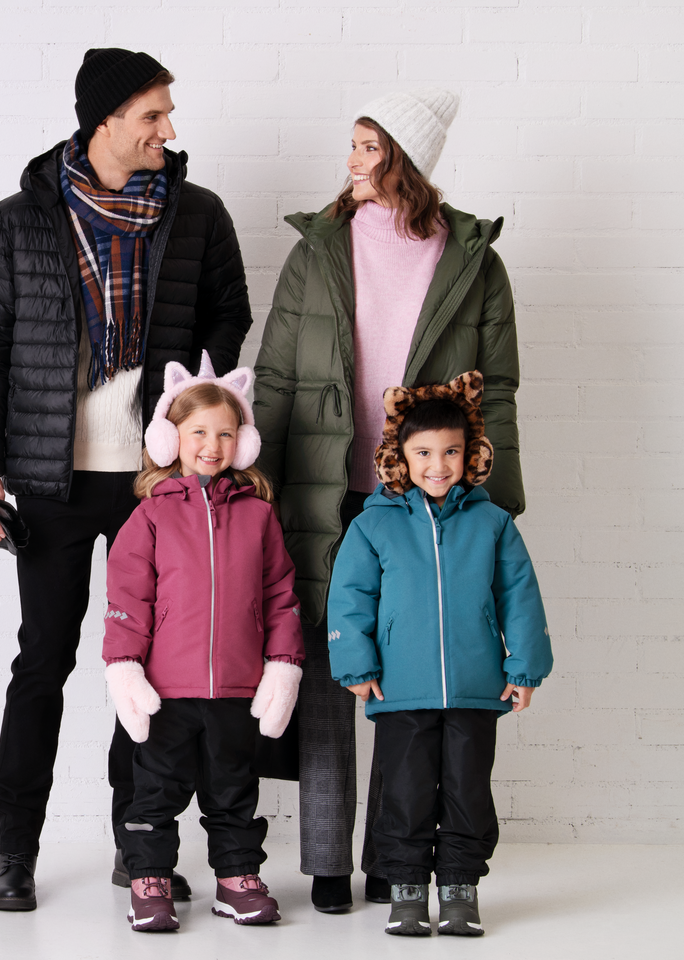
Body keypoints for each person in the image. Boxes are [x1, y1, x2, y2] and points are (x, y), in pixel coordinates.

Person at [0, 47, 253, 911]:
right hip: (50, 481)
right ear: (105, 122)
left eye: (167, 112)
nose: (169, 128)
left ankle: (140, 842)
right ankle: (15, 854)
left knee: (151, 669)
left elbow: (229, 313)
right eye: (153, 113)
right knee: (43, 661)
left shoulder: (197, 215)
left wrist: (187, 414)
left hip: (152, 485)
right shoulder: (17, 222)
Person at [252, 88, 526, 912]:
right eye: (354, 143)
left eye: (369, 146)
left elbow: (498, 389)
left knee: (407, 688)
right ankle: (327, 864)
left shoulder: (473, 260)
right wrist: (260, 484)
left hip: (425, 498)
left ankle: (393, 860)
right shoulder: (317, 251)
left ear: (404, 159)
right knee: (332, 671)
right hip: (325, 484)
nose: (352, 160)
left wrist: (496, 499)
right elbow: (276, 375)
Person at [328, 372, 552, 936]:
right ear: (400, 457)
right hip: (400, 687)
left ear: (470, 454)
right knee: (403, 793)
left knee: (467, 792)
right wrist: (356, 665)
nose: (438, 464)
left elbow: (519, 596)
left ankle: (459, 888)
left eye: (451, 451)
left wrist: (524, 667)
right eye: (424, 452)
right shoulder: (373, 524)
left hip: (477, 687)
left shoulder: (492, 523)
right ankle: (406, 888)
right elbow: (350, 597)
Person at [101, 360, 304, 932]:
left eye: (225, 433)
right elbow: (127, 598)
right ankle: (149, 880)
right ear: (170, 439)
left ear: (243, 442)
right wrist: (124, 668)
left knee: (234, 791)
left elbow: (281, 596)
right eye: (198, 432)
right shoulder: (149, 516)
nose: (212, 446)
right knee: (155, 791)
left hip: (237, 689)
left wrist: (282, 666)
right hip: (167, 691)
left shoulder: (259, 516)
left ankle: (238, 879)